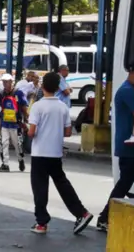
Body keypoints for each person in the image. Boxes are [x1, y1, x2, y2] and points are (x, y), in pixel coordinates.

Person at [27, 72, 93, 235]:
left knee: (40, 187)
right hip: (55, 153)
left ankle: (41, 222)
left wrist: (27, 128)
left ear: (43, 87)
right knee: (62, 184)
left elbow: (32, 132)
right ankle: (82, 213)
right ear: (57, 88)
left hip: (40, 153)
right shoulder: (63, 107)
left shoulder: (37, 106)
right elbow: (68, 132)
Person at [96, 58, 134, 232]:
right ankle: (104, 218)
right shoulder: (127, 91)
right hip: (130, 148)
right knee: (124, 184)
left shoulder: (131, 90)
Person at [0, 74, 28, 172]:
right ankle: (5, 164)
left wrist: (26, 119)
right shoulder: (1, 93)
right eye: (3, 81)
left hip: (16, 124)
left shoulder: (19, 93)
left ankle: (20, 159)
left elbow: (24, 106)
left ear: (11, 82)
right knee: (4, 143)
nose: (5, 83)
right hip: (4, 123)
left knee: (17, 145)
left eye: (7, 81)